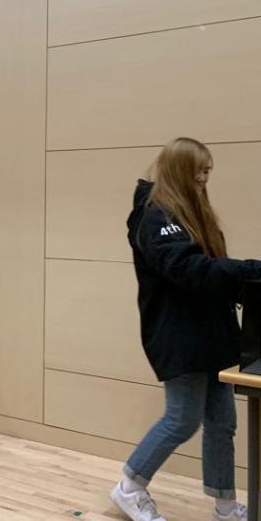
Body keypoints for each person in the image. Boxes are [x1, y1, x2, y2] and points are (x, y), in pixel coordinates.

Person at [111, 137, 261, 521]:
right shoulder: (155, 217)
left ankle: (225, 507)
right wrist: (251, 271)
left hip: (213, 334)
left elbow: (210, 274)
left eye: (208, 172)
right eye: (199, 172)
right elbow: (189, 269)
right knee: (181, 419)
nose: (205, 179)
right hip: (180, 337)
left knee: (222, 424)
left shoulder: (191, 213)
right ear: (179, 170)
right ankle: (129, 487)